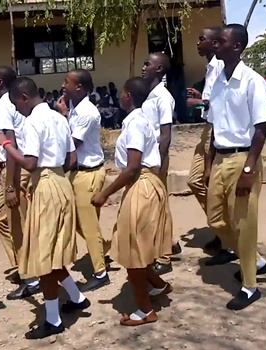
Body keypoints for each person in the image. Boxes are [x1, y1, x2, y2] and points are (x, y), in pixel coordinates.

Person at [0, 77, 89, 340]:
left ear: (24, 97)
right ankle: (76, 297)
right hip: (61, 182)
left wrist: (5, 145)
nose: (18, 110)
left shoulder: (33, 122)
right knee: (52, 249)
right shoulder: (60, 118)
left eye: (17, 104)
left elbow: (30, 162)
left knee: (43, 256)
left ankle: (53, 318)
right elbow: (72, 158)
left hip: (46, 185)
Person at [91, 77, 173, 326]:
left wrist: (105, 193)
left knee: (133, 251)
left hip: (141, 185)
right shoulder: (138, 121)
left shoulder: (136, 124)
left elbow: (132, 168)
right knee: (140, 244)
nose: (120, 97)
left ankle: (145, 310)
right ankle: (158, 285)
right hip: (145, 184)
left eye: (123, 93)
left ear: (128, 95)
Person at [204, 24, 266, 311]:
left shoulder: (251, 81)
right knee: (216, 219)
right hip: (221, 157)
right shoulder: (218, 80)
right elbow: (213, 126)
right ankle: (256, 260)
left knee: (244, 225)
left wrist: (249, 169)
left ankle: (249, 285)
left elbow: (261, 129)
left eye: (220, 41)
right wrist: (209, 163)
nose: (215, 45)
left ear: (236, 47)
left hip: (243, 159)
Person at [0, 66, 41, 301]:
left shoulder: (4, 105)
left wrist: (10, 185)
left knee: (16, 223)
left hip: (17, 169)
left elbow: (12, 142)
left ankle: (31, 275)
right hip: (15, 164)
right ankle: (26, 266)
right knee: (3, 220)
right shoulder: (12, 103)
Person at [185, 27, 237, 265]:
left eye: (201, 39)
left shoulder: (219, 67)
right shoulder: (211, 67)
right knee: (197, 181)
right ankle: (221, 231)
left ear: (215, 43)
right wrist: (201, 96)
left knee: (201, 180)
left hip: (215, 131)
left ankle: (226, 235)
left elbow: (219, 104)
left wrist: (199, 102)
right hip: (208, 129)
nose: (198, 43)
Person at [57, 70, 110, 292]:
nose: (62, 86)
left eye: (66, 82)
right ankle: (101, 247)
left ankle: (100, 272)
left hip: (88, 173)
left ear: (79, 87)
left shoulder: (86, 112)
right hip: (79, 173)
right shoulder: (76, 111)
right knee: (80, 222)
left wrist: (61, 117)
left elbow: (72, 144)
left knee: (87, 225)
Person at [141, 52, 178, 276]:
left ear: (159, 70)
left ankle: (164, 257)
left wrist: (159, 164)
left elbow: (165, 134)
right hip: (148, 159)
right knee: (157, 204)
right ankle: (171, 243)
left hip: (156, 160)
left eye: (148, 64)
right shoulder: (150, 96)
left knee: (158, 206)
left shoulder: (163, 97)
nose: (143, 67)